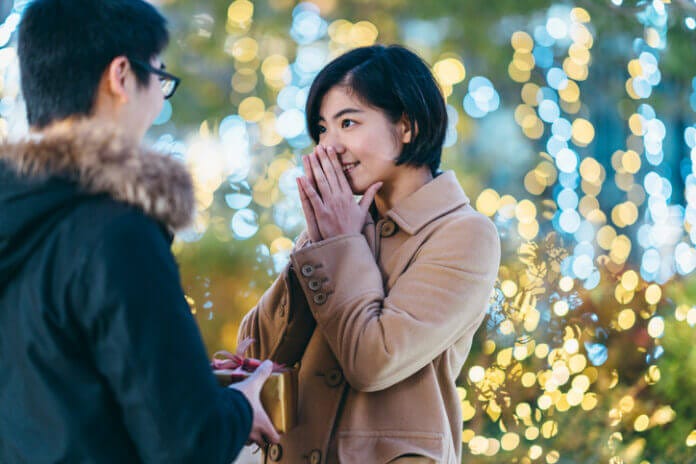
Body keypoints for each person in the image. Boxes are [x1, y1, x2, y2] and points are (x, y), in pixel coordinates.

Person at [0, 0, 279, 462]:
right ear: (122, 76)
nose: (159, 98)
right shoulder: (115, 231)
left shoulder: (19, 219)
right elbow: (186, 440)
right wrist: (239, 407)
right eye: (161, 76)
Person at [238, 44, 501, 464]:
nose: (329, 146)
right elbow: (256, 353)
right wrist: (317, 244)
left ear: (407, 125)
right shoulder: (342, 225)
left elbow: (373, 361)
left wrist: (340, 245)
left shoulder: (465, 235)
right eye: (322, 129)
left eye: (348, 122)